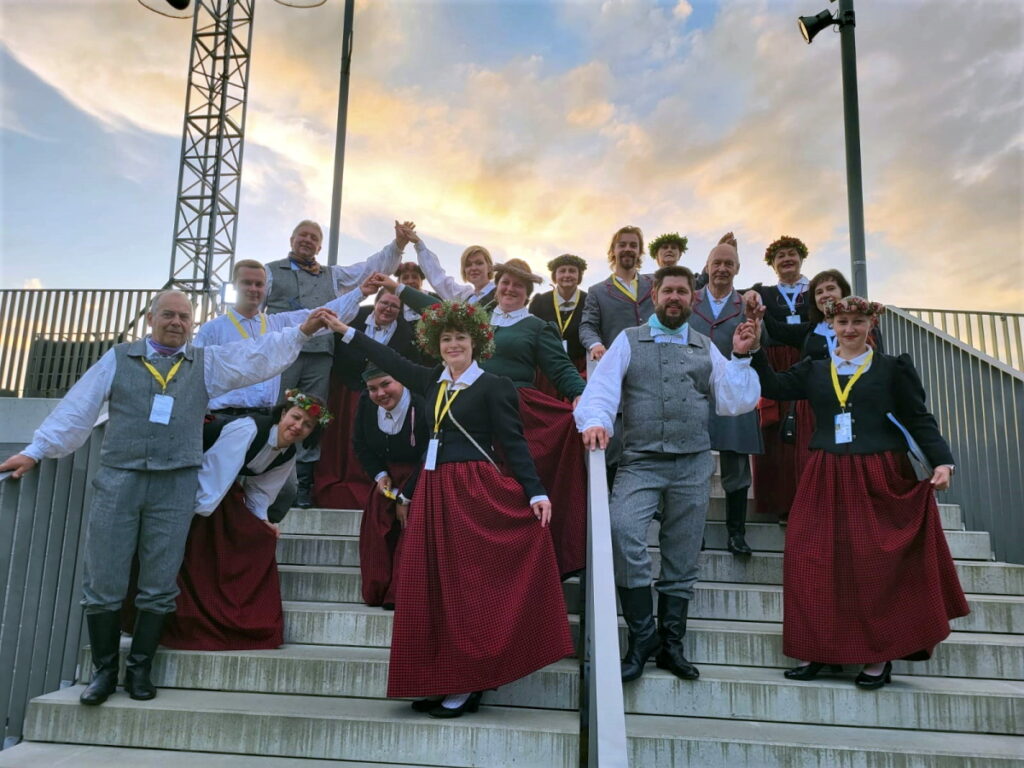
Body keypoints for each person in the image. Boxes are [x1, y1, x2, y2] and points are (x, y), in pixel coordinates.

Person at [0, 291, 335, 706]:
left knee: (160, 581)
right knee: (104, 577)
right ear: (151, 318)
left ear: (193, 324)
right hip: (120, 478)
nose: (176, 322)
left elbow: (254, 356)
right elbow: (78, 408)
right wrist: (36, 451)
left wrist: (300, 333)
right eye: (169, 315)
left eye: (184, 317)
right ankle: (104, 672)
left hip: (176, 485)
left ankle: (140, 669)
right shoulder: (119, 358)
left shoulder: (205, 364)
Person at [327, 302, 574, 718]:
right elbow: (390, 359)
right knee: (429, 586)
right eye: (446, 339)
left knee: (465, 585)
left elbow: (514, 443)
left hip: (473, 487)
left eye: (460, 337)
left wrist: (535, 491)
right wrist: (344, 330)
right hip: (433, 488)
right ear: (436, 345)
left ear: (476, 344)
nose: (453, 344)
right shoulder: (431, 381)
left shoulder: (494, 385)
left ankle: (468, 682)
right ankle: (436, 677)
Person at [749, 296, 968, 689]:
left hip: (879, 473)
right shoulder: (815, 368)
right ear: (831, 326)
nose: (850, 329)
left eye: (858, 322)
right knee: (812, 559)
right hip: (824, 473)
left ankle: (878, 656)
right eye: (843, 322)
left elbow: (918, 417)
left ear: (871, 325)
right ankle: (819, 649)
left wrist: (943, 462)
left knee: (873, 563)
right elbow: (775, 386)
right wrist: (754, 352)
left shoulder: (892, 369)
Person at [575, 266, 761, 683]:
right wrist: (596, 421)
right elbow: (601, 390)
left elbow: (732, 401)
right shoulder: (629, 340)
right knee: (623, 530)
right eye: (668, 291)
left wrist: (740, 356)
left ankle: (671, 643)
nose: (675, 297)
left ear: (692, 299)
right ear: (654, 296)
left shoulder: (704, 345)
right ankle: (643, 637)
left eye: (682, 291)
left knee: (683, 551)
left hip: (692, 462)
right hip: (640, 460)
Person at [390, 255, 588, 577]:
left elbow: (561, 368)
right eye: (505, 283)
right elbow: (436, 309)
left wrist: (580, 394)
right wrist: (397, 288)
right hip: (468, 408)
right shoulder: (476, 319)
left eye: (518, 285)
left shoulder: (536, 327)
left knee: (513, 482)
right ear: (497, 287)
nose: (510, 289)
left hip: (515, 409)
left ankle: (521, 562)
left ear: (527, 293)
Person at [194, 259, 375, 518]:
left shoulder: (277, 323)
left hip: (266, 421)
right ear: (234, 285)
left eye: (259, 284)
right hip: (225, 420)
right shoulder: (213, 329)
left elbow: (319, 315)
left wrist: (359, 293)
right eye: (247, 283)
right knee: (220, 493)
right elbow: (197, 376)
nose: (253, 289)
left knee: (285, 492)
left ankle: (259, 534)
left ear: (267, 288)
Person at [160, 391, 331, 650]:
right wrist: (188, 525)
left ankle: (238, 614)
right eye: (295, 417)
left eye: (307, 425)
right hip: (191, 482)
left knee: (260, 537)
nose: (298, 426)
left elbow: (260, 495)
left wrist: (261, 524)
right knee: (204, 547)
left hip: (217, 491)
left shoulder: (286, 454)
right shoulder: (248, 429)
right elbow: (212, 476)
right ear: (284, 413)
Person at [264, 219, 410, 507]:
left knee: (312, 416)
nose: (307, 240)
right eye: (303, 235)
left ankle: (302, 484)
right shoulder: (269, 272)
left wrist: (398, 245)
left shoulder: (332, 276)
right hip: (282, 352)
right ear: (292, 239)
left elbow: (370, 267)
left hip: (319, 356)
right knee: (276, 411)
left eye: (314, 237)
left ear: (320, 247)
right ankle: (267, 476)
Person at [316, 281, 423, 510]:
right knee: (343, 436)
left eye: (394, 306)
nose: (388, 309)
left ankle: (372, 480)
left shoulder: (406, 333)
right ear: (376, 302)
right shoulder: (354, 317)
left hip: (383, 394)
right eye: (384, 303)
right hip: (348, 386)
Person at [687, 242, 763, 555]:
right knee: (691, 465)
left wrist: (757, 329)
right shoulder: (689, 300)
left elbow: (758, 347)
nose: (722, 269)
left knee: (737, 466)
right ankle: (694, 532)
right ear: (706, 266)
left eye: (728, 264)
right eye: (716, 262)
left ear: (738, 269)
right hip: (693, 390)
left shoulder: (747, 304)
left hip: (734, 388)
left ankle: (736, 533)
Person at [746, 235, 813, 522]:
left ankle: (811, 500)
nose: (787, 259)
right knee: (774, 432)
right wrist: (750, 293)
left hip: (809, 360)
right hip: (773, 362)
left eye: (791, 254)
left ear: (801, 258)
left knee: (808, 431)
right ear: (773, 264)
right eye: (780, 256)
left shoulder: (818, 290)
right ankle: (781, 503)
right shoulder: (764, 292)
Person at [352, 366, 428, 608]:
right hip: (389, 478)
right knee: (377, 528)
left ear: (401, 380)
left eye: (386, 384)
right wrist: (380, 474)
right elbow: (360, 443)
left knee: (411, 527)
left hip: (421, 476)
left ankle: (401, 592)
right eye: (373, 388)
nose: (380, 393)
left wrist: (406, 497)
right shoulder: (366, 403)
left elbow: (430, 451)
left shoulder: (421, 403)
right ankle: (378, 589)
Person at [579, 225, 655, 362]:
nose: (628, 249)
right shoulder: (597, 291)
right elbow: (587, 326)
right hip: (619, 363)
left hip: (656, 360)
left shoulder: (656, 283)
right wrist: (595, 344)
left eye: (633, 245)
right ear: (613, 251)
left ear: (640, 252)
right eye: (622, 245)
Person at [528, 253, 589, 376]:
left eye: (572, 271)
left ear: (579, 276)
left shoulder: (589, 301)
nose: (567, 275)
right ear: (555, 276)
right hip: (546, 367)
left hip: (579, 368)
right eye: (562, 271)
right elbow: (531, 333)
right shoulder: (540, 301)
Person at [412, 235, 497, 308]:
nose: (473, 268)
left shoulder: (499, 291)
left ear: (490, 267)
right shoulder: (466, 296)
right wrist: (418, 244)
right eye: (468, 265)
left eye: (479, 263)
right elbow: (440, 280)